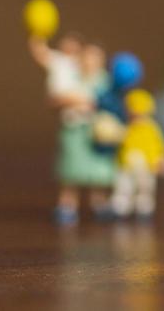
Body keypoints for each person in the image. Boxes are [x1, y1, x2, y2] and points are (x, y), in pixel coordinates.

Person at [29, 31, 117, 224]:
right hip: (73, 129)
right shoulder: (70, 77)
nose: (90, 61)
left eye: (95, 57)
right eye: (87, 56)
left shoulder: (105, 81)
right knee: (71, 169)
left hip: (96, 132)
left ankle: (99, 202)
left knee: (98, 170)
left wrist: (92, 102)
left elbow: (109, 102)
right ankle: (67, 204)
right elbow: (54, 98)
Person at [111, 89, 164, 219]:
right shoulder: (126, 127)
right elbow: (119, 141)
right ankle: (121, 207)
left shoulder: (151, 128)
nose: (136, 115)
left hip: (147, 165)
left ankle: (144, 208)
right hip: (126, 165)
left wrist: (161, 160)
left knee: (145, 187)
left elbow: (160, 145)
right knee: (124, 186)